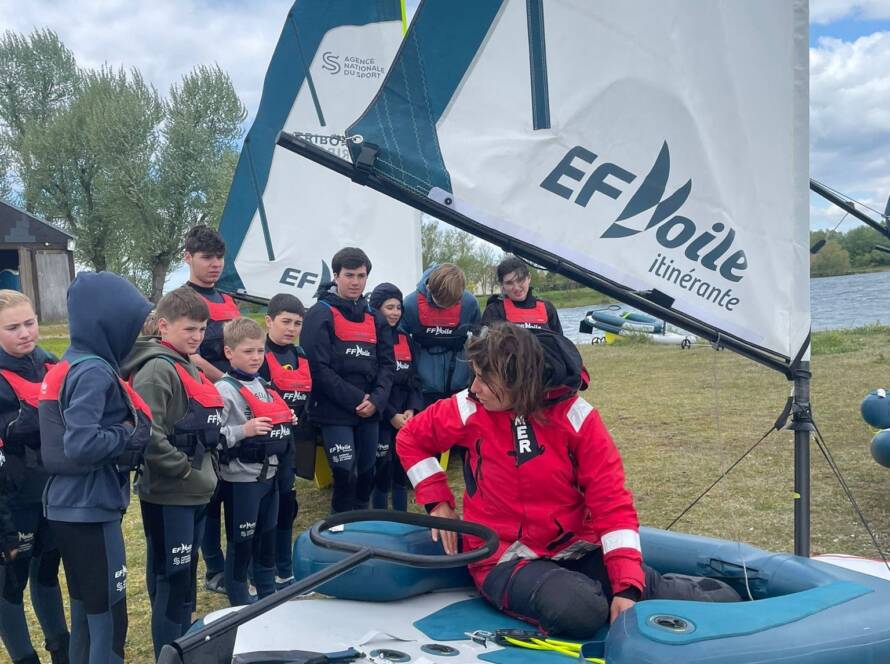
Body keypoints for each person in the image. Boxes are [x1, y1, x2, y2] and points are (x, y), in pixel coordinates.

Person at [396, 323, 739, 638]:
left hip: (575, 548)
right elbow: (411, 438)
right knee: (579, 609)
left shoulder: (578, 419)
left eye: (486, 380)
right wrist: (437, 502)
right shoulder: (468, 407)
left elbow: (612, 505)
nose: (475, 388)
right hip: (502, 558)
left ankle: (696, 590)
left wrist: (627, 588)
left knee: (696, 598)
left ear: (519, 383)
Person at [39, 272, 153, 664]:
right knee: (110, 617)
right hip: (90, 508)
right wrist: (128, 434)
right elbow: (81, 442)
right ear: (109, 322)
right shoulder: (94, 371)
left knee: (87, 612)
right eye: (131, 323)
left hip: (66, 507)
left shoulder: (71, 363)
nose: (135, 331)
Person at [121, 287, 222, 658]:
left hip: (195, 492)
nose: (197, 337)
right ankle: (168, 652)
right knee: (169, 579)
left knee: (183, 581)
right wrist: (185, 471)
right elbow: (148, 434)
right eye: (189, 329)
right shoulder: (156, 369)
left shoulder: (186, 363)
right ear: (164, 326)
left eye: (202, 329)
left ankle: (184, 646)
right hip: (170, 494)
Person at [0, 291, 69, 664]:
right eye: (12, 327)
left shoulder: (50, 364)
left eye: (29, 323)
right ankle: (25, 658)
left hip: (52, 493)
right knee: (11, 584)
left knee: (47, 573)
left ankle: (63, 650)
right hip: (12, 501)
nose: (25, 333)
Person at [301, 247, 395, 513]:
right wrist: (357, 398)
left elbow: (388, 365)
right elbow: (317, 368)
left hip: (370, 411)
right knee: (345, 475)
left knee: (366, 475)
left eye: (361, 276)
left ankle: (362, 532)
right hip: (335, 411)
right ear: (336, 276)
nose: (355, 282)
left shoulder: (375, 318)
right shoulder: (319, 314)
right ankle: (337, 535)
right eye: (349, 275)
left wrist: (377, 400)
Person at [216, 317, 294, 606]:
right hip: (241, 482)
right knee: (241, 545)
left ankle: (268, 597)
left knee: (266, 542)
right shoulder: (223, 390)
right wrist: (243, 431)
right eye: (248, 351)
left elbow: (273, 422)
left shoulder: (263, 385)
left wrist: (286, 420)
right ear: (229, 353)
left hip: (269, 478)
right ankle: (239, 603)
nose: (255, 357)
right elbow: (213, 437)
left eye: (260, 351)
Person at [182, 224, 238, 594]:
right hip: (200, 401)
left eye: (219, 257)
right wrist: (227, 381)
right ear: (188, 258)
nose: (215, 264)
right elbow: (188, 352)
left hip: (235, 400)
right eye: (207, 257)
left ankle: (234, 563)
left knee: (233, 486)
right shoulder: (181, 300)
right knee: (209, 492)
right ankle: (213, 568)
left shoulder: (229, 299)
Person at [258, 293, 312, 589]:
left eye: (298, 323)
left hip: (292, 441)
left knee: (287, 505)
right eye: (286, 322)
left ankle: (284, 567)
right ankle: (261, 570)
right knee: (266, 508)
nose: (291, 328)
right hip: (265, 445)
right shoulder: (259, 354)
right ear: (269, 321)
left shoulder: (300, 355)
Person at [368, 283, 422, 511]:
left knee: (402, 468)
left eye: (398, 307)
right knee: (382, 467)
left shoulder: (405, 338)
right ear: (377, 309)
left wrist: (412, 409)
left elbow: (414, 378)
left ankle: (402, 518)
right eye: (389, 307)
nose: (395, 313)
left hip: (405, 415)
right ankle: (380, 521)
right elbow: (371, 381)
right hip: (381, 415)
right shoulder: (369, 338)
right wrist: (390, 414)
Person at [401, 263, 481, 407]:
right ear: (429, 288)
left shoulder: (470, 303)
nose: (446, 307)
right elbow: (399, 345)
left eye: (451, 303)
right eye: (441, 303)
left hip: (460, 387)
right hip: (423, 390)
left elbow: (480, 342)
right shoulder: (410, 304)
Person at [482, 255, 563, 334]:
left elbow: (560, 343)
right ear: (502, 285)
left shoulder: (548, 308)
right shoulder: (494, 311)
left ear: (529, 278)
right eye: (509, 283)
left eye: (520, 280)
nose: (516, 287)